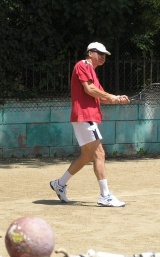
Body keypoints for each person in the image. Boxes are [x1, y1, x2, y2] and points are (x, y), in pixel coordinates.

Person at [50, 42, 130, 207]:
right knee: (99, 153)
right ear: (90, 53)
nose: (103, 57)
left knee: (87, 156)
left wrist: (117, 99)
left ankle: (60, 184)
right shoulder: (83, 65)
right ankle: (105, 196)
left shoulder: (92, 71)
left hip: (86, 117)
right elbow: (89, 89)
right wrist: (112, 96)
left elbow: (99, 96)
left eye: (105, 55)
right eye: (100, 53)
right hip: (84, 115)